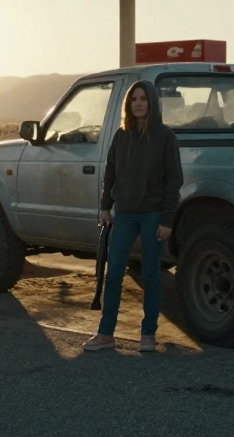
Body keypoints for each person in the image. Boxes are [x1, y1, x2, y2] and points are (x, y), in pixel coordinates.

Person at [83, 79, 184, 353]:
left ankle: (148, 334)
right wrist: (105, 207)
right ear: (129, 104)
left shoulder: (165, 137)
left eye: (143, 99)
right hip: (124, 214)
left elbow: (174, 181)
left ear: (151, 102)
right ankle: (106, 334)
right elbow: (110, 174)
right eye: (134, 99)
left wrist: (167, 220)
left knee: (151, 275)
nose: (138, 103)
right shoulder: (121, 136)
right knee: (114, 272)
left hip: (153, 215)